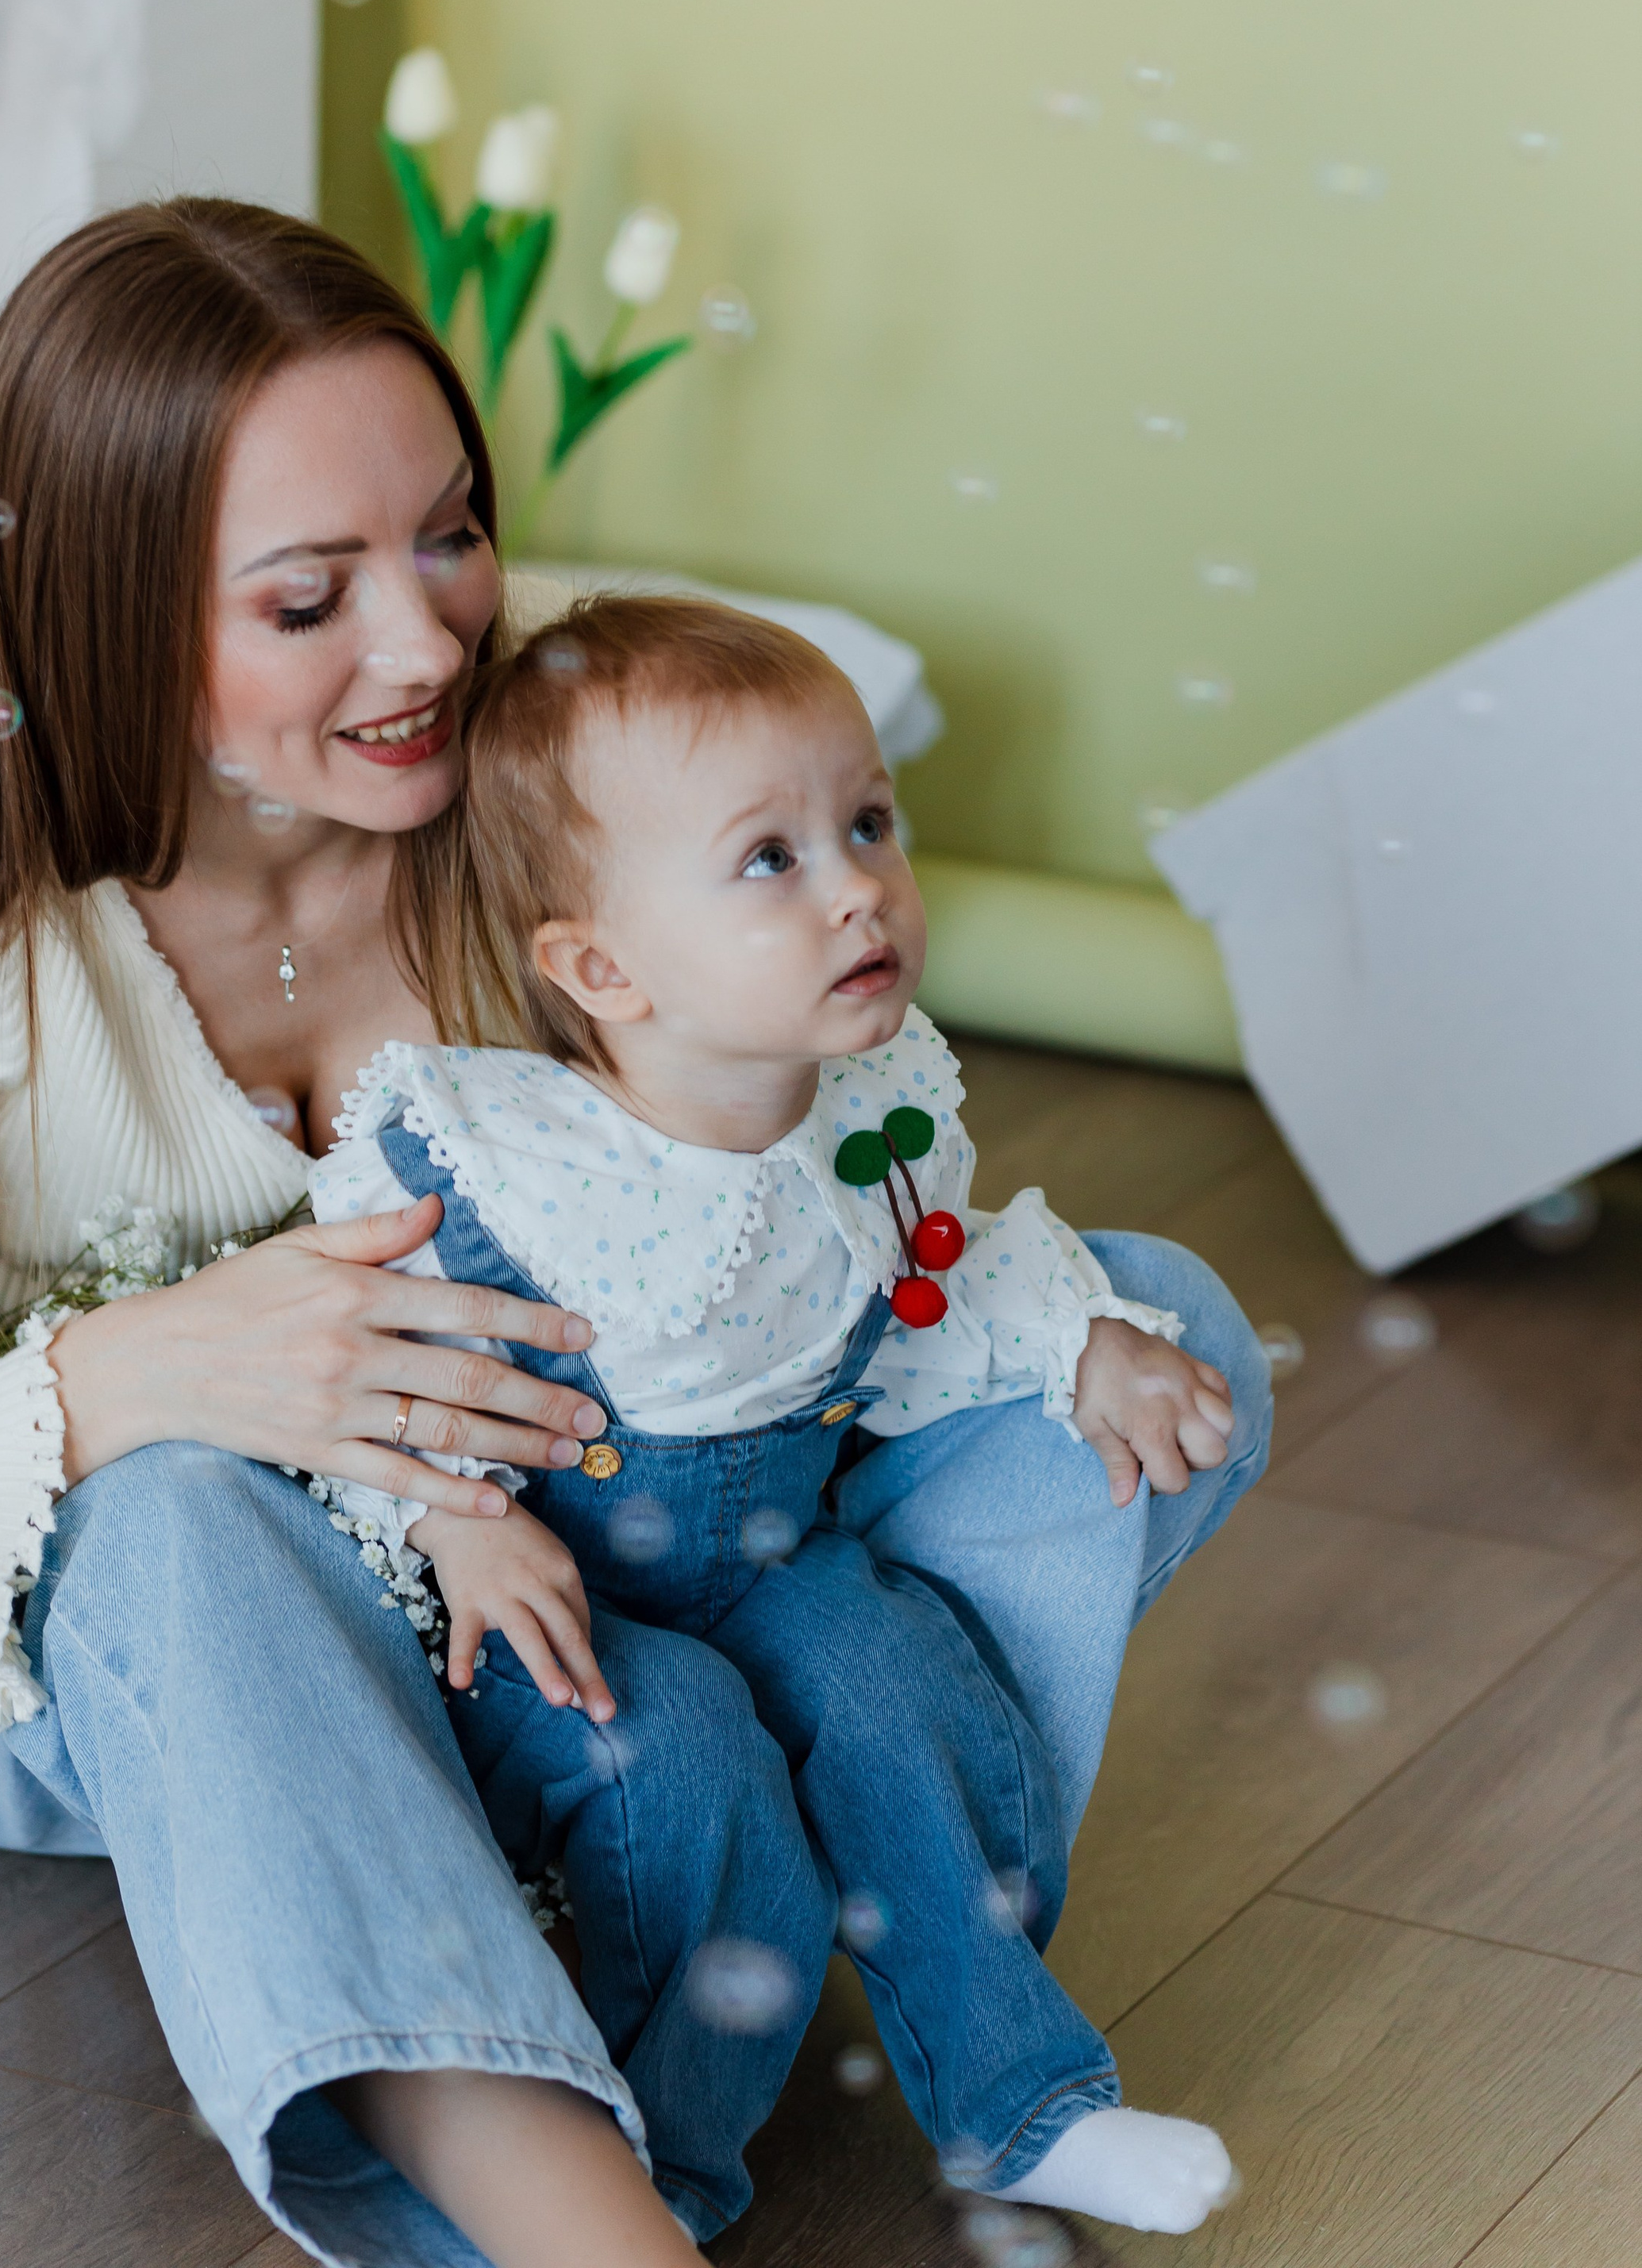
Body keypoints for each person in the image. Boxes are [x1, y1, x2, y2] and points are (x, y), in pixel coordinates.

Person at [0, 203, 836, 2268]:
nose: (429, 643)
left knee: (1101, 1357)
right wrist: (119, 1384)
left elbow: (790, 1122)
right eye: (308, 598)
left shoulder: (527, 806)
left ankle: (833, 2015)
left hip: (473, 1566)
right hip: (50, 1646)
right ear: (106, 615)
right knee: (188, 1513)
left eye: (450, 536)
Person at [309, 593, 1249, 2235]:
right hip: (548, 1599)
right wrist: (460, 1523)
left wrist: (1079, 1338)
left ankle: (1017, 2102)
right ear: (600, 967)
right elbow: (363, 1356)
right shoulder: (504, 1160)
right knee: (685, 1770)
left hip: (765, 1553)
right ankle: (653, 2178)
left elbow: (924, 1286)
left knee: (897, 1688)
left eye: (868, 824)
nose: (857, 886)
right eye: (770, 858)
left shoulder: (871, 1109)